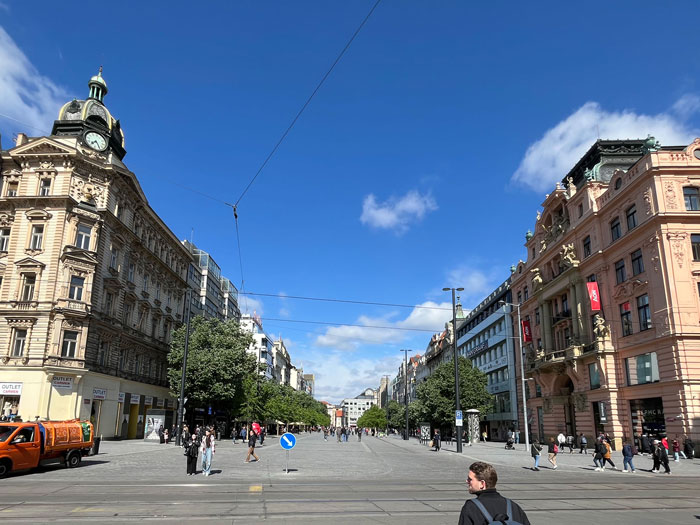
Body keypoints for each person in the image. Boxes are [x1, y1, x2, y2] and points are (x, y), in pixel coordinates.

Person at [458, 461, 531, 525]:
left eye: (470, 479)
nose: (467, 481)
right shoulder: (513, 506)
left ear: (482, 484)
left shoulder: (471, 507)